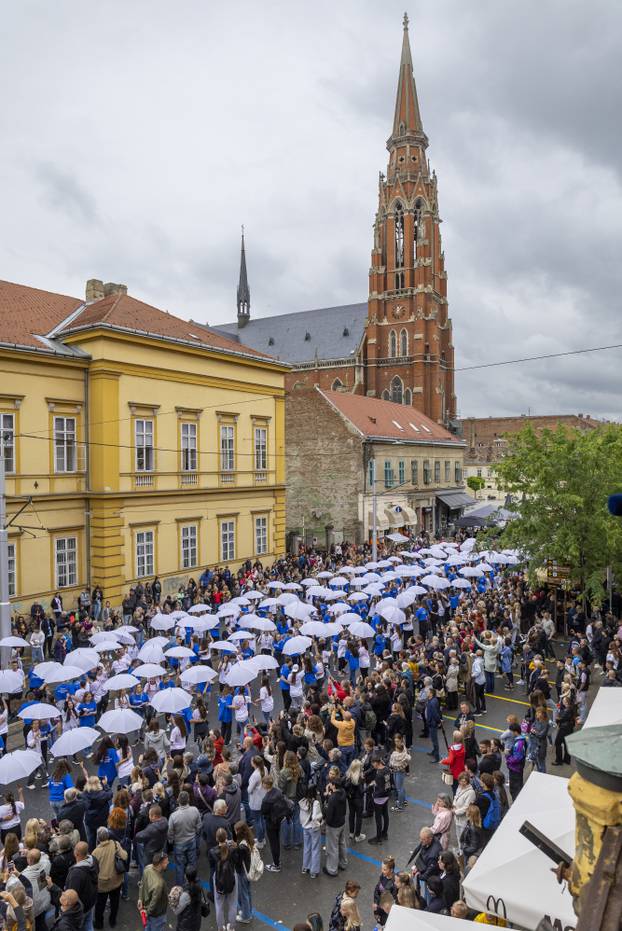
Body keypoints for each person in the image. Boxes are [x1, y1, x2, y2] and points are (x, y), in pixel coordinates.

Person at [92, 826, 127, 929]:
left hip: (102, 884)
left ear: (98, 838)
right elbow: (124, 856)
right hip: (116, 880)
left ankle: (99, 924)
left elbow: (93, 869)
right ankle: (112, 921)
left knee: (100, 905)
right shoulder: (115, 844)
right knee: (115, 902)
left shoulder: (95, 852)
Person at [209, 827, 241, 931]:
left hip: (218, 878)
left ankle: (221, 928)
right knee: (232, 904)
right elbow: (236, 861)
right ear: (226, 837)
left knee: (219, 905)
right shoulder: (232, 849)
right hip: (231, 876)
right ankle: (231, 927)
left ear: (216, 838)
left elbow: (212, 866)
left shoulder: (212, 851)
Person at [168, 790, 202, 886]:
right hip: (191, 840)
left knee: (180, 866)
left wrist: (171, 841)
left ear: (178, 800)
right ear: (188, 799)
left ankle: (180, 887)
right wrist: (195, 833)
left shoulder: (173, 816)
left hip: (178, 843)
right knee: (192, 863)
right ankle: (194, 882)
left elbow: (170, 832)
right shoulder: (195, 810)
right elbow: (199, 826)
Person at [65, 841, 99, 931]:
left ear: (76, 854)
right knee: (89, 924)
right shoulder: (94, 860)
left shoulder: (76, 874)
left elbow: (71, 895)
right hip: (91, 902)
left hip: (81, 909)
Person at [260, 776, 289, 873]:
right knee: (276, 841)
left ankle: (276, 864)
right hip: (278, 820)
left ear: (265, 785)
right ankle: (277, 861)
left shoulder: (266, 799)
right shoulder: (278, 792)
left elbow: (263, 811)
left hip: (270, 822)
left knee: (273, 843)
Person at [138, 850, 169, 931]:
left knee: (147, 928)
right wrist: (147, 912)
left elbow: (142, 884)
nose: (168, 863)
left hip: (146, 908)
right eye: (166, 862)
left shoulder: (147, 869)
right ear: (160, 864)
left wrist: (140, 899)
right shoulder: (159, 884)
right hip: (157, 915)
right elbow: (154, 903)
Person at [323, 775, 348, 877]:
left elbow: (329, 815)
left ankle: (332, 869)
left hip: (333, 825)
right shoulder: (343, 793)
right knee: (342, 844)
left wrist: (326, 823)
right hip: (341, 822)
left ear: (333, 785)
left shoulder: (333, 798)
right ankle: (343, 863)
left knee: (332, 847)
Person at [169, 865, 205, 931]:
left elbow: (177, 911)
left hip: (185, 926)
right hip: (196, 922)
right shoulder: (199, 887)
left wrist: (172, 903)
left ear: (185, 876)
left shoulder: (186, 894)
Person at [234, 820, 256, 924]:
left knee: (243, 894)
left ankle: (246, 916)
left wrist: (234, 850)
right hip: (248, 869)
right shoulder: (249, 840)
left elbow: (237, 861)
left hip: (243, 871)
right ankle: (248, 911)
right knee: (247, 892)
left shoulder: (241, 847)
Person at [299, 783, 322, 879]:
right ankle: (314, 871)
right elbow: (315, 817)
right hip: (313, 828)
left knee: (307, 847)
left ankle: (305, 867)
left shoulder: (303, 802)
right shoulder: (315, 803)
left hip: (305, 827)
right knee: (315, 848)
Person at [368, 752, 390, 845]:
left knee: (378, 818)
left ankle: (378, 838)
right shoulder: (387, 769)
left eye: (372, 763)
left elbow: (380, 789)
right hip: (386, 796)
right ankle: (384, 833)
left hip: (379, 799)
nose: (372, 766)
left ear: (376, 762)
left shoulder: (379, 774)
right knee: (385, 815)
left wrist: (373, 794)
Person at [452, 773, 476, 854]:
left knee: (464, 838)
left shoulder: (471, 792)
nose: (462, 783)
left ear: (467, 781)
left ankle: (463, 853)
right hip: (457, 818)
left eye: (464, 781)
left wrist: (455, 812)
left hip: (464, 820)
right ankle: (460, 851)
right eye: (460, 781)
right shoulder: (459, 787)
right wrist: (454, 805)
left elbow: (467, 807)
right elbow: (455, 797)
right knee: (458, 836)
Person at [388, 735, 409, 813]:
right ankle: (403, 800)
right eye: (395, 741)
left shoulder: (402, 750)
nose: (396, 743)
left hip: (399, 771)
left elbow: (398, 762)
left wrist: (392, 764)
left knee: (399, 788)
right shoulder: (402, 747)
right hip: (399, 771)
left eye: (397, 741)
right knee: (401, 787)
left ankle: (399, 806)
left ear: (401, 740)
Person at [424, 688, 441, 762]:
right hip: (431, 722)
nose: (426, 693)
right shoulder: (432, 700)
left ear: (431, 693)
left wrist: (438, 721)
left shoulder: (432, 702)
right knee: (433, 739)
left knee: (434, 740)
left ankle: (437, 757)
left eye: (428, 692)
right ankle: (434, 751)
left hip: (432, 723)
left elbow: (435, 713)